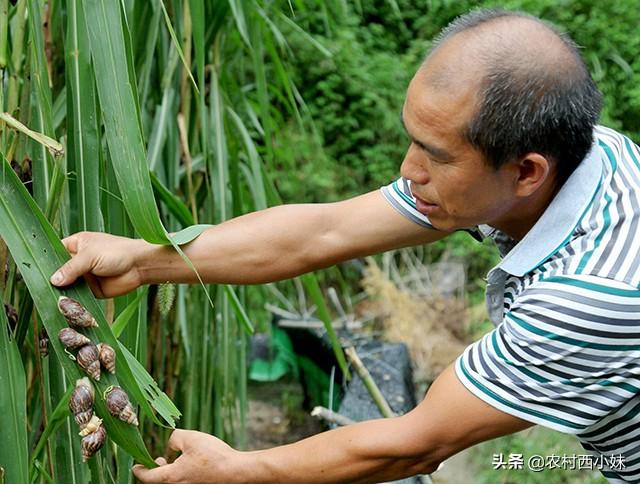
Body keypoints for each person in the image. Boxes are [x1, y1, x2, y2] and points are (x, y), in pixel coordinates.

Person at [50, 8, 640, 483]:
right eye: (414, 141)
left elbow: (418, 443)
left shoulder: (590, 297)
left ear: (527, 171)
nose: (409, 171)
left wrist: (242, 471)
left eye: (435, 155)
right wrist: (146, 259)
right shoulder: (586, 154)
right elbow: (324, 231)